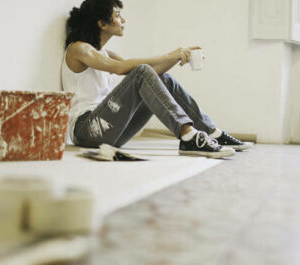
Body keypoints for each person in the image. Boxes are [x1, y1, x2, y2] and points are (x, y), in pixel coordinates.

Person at [62, 0, 252, 159]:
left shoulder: (103, 52)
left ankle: (213, 133)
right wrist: (170, 54)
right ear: (102, 23)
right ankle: (188, 137)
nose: (123, 20)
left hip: (110, 130)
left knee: (164, 79)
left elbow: (151, 74)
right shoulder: (79, 49)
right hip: (86, 131)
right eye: (118, 15)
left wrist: (177, 57)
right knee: (142, 71)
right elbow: (121, 68)